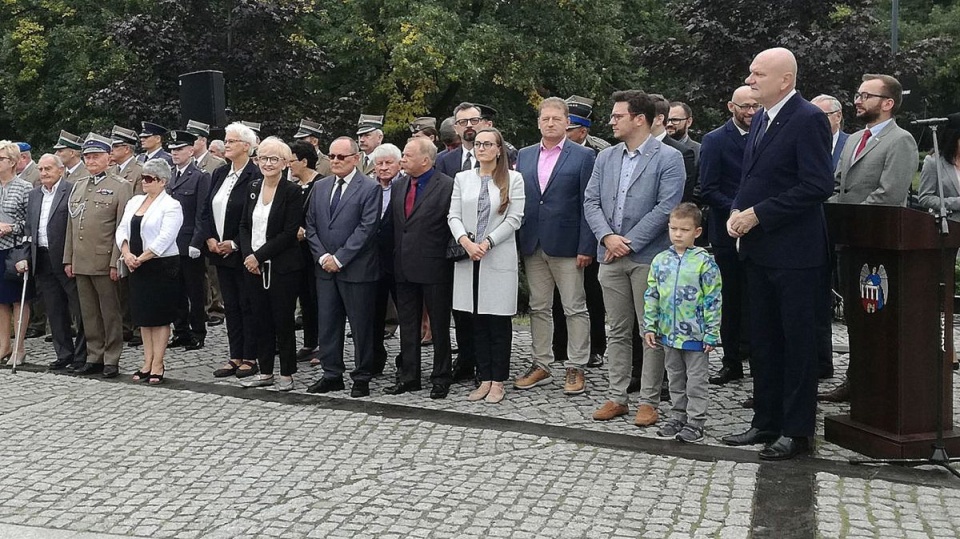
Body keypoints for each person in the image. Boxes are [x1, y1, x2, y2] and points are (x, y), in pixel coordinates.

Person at [722, 48, 834, 460]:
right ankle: (765, 422)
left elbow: (817, 185)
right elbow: (754, 178)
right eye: (750, 73)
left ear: (785, 80)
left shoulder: (807, 119)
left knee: (796, 343)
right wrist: (737, 209)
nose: (750, 80)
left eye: (758, 74)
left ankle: (796, 430)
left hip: (795, 254)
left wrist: (758, 215)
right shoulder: (762, 119)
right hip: (759, 251)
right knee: (764, 341)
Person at [583, 90, 685, 425]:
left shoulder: (668, 158)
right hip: (610, 257)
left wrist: (628, 241)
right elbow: (591, 202)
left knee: (649, 330)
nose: (611, 121)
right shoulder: (605, 157)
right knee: (617, 330)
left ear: (639, 119)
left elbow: (667, 207)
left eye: (617, 116)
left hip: (647, 257)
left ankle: (649, 400)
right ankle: (617, 396)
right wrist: (608, 238)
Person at [514, 97, 597, 395]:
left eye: (556, 119)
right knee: (538, 306)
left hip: (568, 244)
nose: (550, 123)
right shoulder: (523, 155)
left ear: (567, 122)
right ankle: (541, 363)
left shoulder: (583, 157)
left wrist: (587, 245)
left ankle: (576, 365)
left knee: (574, 307)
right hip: (533, 241)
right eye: (545, 118)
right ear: (538, 122)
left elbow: (590, 204)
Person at [448, 127, 525, 403]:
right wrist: (466, 242)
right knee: (475, 320)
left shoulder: (513, 179)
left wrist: (488, 242)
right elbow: (453, 215)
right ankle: (484, 377)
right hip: (469, 257)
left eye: (488, 144)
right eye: (478, 144)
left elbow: (514, 219)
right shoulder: (462, 178)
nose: (481, 149)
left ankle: (498, 380)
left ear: (498, 149)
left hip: (497, 255)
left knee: (498, 321)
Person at [304, 137, 381, 398]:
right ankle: (331, 373)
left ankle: (362, 375)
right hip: (324, 269)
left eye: (341, 157)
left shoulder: (370, 188)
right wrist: (323, 256)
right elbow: (311, 225)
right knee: (327, 323)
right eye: (332, 156)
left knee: (361, 326)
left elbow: (367, 228)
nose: (335, 161)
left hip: (357, 269)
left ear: (355, 158)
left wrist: (340, 258)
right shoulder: (321, 186)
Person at [643, 203, 722, 443]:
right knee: (675, 378)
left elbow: (713, 298)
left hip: (695, 336)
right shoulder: (660, 261)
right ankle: (677, 415)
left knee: (696, 380)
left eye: (684, 230)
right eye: (673, 228)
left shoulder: (704, 262)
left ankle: (696, 421)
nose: (678, 234)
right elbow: (652, 294)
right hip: (668, 333)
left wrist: (711, 332)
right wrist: (650, 325)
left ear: (696, 232)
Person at [384, 137, 455, 399]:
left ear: (425, 159)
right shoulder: (400, 185)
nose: (402, 159)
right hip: (403, 266)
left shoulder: (446, 185)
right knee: (408, 324)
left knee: (438, 324)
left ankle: (441, 377)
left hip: (435, 267)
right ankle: (409, 376)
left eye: (407, 155)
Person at [699, 86, 758, 387]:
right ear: (730, 107)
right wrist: (738, 211)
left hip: (762, 229)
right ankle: (731, 361)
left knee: (759, 299)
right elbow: (707, 188)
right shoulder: (714, 140)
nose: (750, 112)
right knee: (731, 300)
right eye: (745, 107)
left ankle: (759, 361)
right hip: (727, 231)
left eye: (755, 106)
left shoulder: (767, 134)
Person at [237, 137, 305, 391]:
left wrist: (260, 255)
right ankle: (265, 370)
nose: (268, 163)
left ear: (285, 163)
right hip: (252, 266)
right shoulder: (253, 186)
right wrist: (248, 256)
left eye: (274, 159)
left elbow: (289, 233)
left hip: (281, 267)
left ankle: (286, 373)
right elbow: (244, 225)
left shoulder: (291, 192)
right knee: (259, 319)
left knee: (282, 320)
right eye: (263, 158)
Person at [64, 133, 133, 377]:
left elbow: (122, 228)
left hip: (104, 259)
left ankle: (112, 357)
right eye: (88, 157)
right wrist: (68, 258)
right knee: (89, 313)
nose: (91, 161)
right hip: (81, 259)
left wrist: (117, 260)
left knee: (110, 312)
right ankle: (94, 355)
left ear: (108, 157)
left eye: (96, 156)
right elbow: (71, 226)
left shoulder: (121, 186)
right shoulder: (79, 185)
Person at [116, 159, 183, 384]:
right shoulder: (135, 201)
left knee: (159, 316)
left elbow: (166, 237)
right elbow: (123, 228)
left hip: (160, 265)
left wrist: (142, 257)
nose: (144, 182)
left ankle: (158, 362)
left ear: (162, 181)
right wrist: (126, 253)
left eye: (150, 179)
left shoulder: (171, 205)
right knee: (143, 316)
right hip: (136, 263)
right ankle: (147, 360)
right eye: (143, 177)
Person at [204, 122, 262, 379]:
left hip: (243, 252)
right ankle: (235, 354)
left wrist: (235, 243)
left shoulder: (256, 174)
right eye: (226, 141)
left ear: (247, 147)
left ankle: (251, 355)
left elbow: (254, 217)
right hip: (218, 251)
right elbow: (206, 209)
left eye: (231, 141)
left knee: (248, 304)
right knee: (231, 306)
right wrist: (208, 238)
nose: (226, 144)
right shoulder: (219, 173)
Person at [24, 154, 88, 370]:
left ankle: (82, 354)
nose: (43, 173)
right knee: (55, 309)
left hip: (65, 258)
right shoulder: (34, 195)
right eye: (41, 169)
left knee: (78, 308)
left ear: (61, 170)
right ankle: (64, 354)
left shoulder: (71, 190)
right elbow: (28, 228)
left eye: (48, 169)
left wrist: (72, 258)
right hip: (42, 257)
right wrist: (26, 256)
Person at [166, 130, 212, 351]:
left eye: (179, 149)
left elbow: (203, 212)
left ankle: (198, 332)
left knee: (195, 290)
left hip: (190, 242)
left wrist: (197, 241)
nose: (175, 153)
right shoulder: (170, 176)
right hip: (171, 243)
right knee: (175, 292)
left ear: (190, 151)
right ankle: (181, 331)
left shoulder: (200, 177)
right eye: (173, 150)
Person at [369, 143, 403, 375]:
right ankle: (373, 360)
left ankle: (406, 362)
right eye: (379, 163)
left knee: (406, 314)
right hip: (373, 262)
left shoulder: (405, 186)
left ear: (399, 164)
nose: (383, 168)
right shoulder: (368, 188)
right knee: (373, 314)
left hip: (400, 260)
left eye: (388, 163)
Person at [288, 140, 323, 363]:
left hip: (315, 251)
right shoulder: (292, 186)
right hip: (295, 253)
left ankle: (323, 343)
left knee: (318, 298)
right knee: (304, 299)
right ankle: (309, 342)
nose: (288, 166)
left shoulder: (321, 184)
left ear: (303, 161)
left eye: (291, 161)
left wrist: (307, 232)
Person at [0, 141, 34, 366]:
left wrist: (11, 227)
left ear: (12, 162)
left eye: (0, 158)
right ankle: (4, 345)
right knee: (0, 301)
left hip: (15, 250)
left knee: (17, 301)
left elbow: (30, 221)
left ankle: (19, 347)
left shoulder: (24, 187)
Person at [918, 114, 960, 220]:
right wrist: (956, 203)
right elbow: (925, 198)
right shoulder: (933, 162)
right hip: (950, 226)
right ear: (954, 139)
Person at [810, 95, 849, 172]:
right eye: (811, 116)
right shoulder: (802, 144)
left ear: (838, 116)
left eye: (822, 115)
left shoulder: (851, 144)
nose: (816, 121)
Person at [666, 102, 701, 166]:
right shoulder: (655, 148)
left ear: (689, 122)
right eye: (667, 120)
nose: (669, 124)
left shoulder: (699, 151)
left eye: (675, 120)